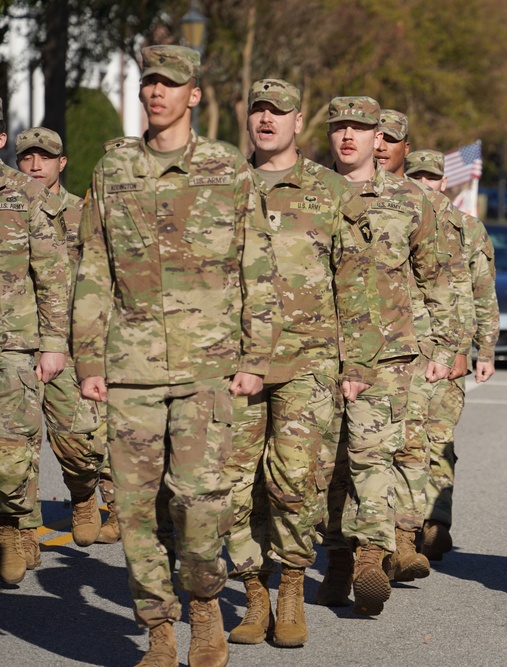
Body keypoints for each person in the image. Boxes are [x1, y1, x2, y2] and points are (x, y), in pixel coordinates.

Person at [73, 45, 279, 666]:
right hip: (129, 368)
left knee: (198, 502)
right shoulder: (111, 172)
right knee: (136, 513)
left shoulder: (227, 170)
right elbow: (92, 269)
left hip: (207, 369)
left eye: (171, 83)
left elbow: (259, 269)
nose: (156, 92)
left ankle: (205, 604)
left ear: (194, 95)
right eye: (148, 82)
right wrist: (87, 361)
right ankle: (160, 632)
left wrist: (255, 356)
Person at [223, 78, 380, 648]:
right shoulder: (223, 185)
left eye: (278, 112)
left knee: (293, 484)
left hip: (308, 362)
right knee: (235, 487)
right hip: (233, 363)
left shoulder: (330, 191)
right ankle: (253, 593)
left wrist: (357, 364)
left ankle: (291, 588)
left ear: (298, 121)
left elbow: (354, 280)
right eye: (258, 110)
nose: (266, 120)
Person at [317, 96, 460, 616]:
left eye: (362, 127)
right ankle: (336, 562)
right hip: (317, 351)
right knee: (326, 468)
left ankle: (370, 559)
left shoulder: (408, 199)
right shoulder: (311, 191)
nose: (350, 135)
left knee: (372, 457)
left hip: (390, 353)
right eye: (340, 126)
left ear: (380, 137)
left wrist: (444, 347)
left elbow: (437, 275)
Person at [15, 127, 119, 556]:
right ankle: (20, 530)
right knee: (16, 441)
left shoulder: (82, 215)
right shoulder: (9, 209)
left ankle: (82, 493)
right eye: (26, 158)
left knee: (78, 441)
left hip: (71, 345)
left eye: (45, 157)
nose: (35, 165)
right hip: (18, 341)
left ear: (62, 163)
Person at [403, 149, 500, 560]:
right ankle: (405, 529)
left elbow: (483, 290)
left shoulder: (468, 229)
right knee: (407, 440)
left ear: (445, 183)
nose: (426, 186)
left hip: (451, 347)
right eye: (417, 179)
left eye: (432, 179)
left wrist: (485, 349)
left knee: (437, 437)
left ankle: (435, 521)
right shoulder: (398, 220)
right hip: (405, 348)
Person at [0, 101, 69, 586]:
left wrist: (54, 343)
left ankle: (13, 524)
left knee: (12, 450)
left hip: (14, 344)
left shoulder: (25, 194)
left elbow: (52, 274)